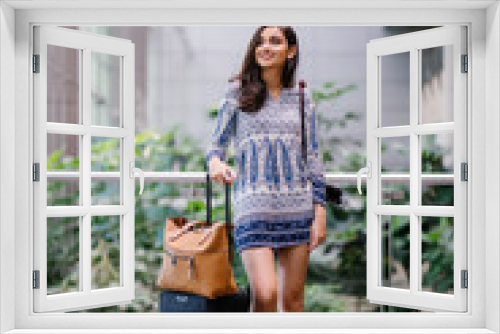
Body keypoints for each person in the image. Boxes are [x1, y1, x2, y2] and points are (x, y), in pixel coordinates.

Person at [206, 26, 327, 312]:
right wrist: (216, 163)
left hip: (297, 208)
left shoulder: (302, 97)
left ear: (291, 50)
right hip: (253, 207)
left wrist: (319, 213)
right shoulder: (237, 92)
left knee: (293, 302)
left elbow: (313, 156)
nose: (265, 47)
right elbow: (216, 146)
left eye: (275, 41)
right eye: (260, 42)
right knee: (265, 294)